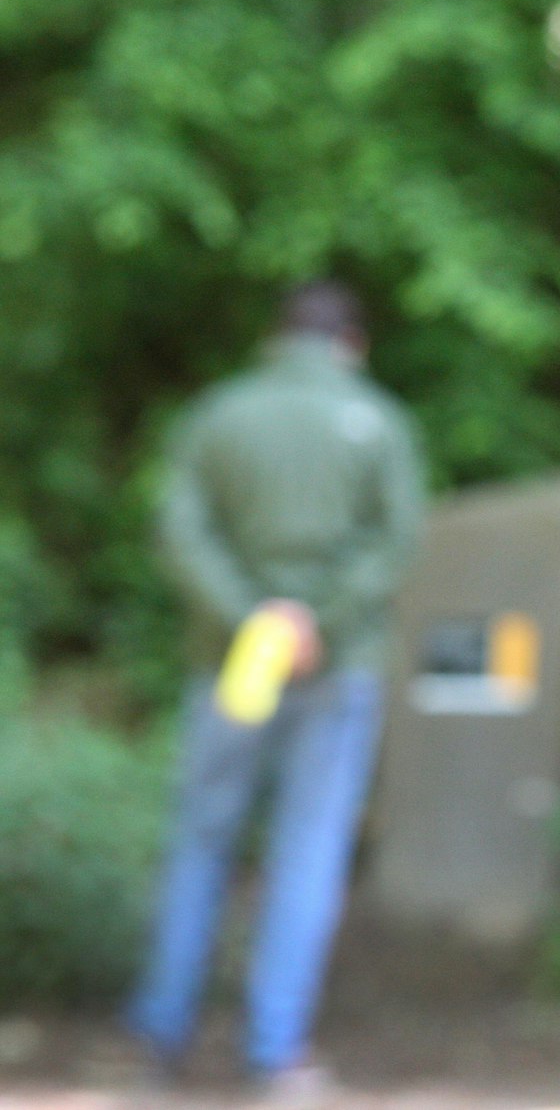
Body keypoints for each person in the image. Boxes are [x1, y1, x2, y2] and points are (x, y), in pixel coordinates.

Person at [127, 281, 427, 1096]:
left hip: (230, 663)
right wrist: (312, 617)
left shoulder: (218, 414)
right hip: (338, 666)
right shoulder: (380, 420)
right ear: (352, 342)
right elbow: (397, 539)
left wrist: (255, 618)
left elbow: (180, 529)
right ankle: (273, 1053)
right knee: (307, 853)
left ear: (275, 338)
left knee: (199, 842)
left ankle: (159, 1043)